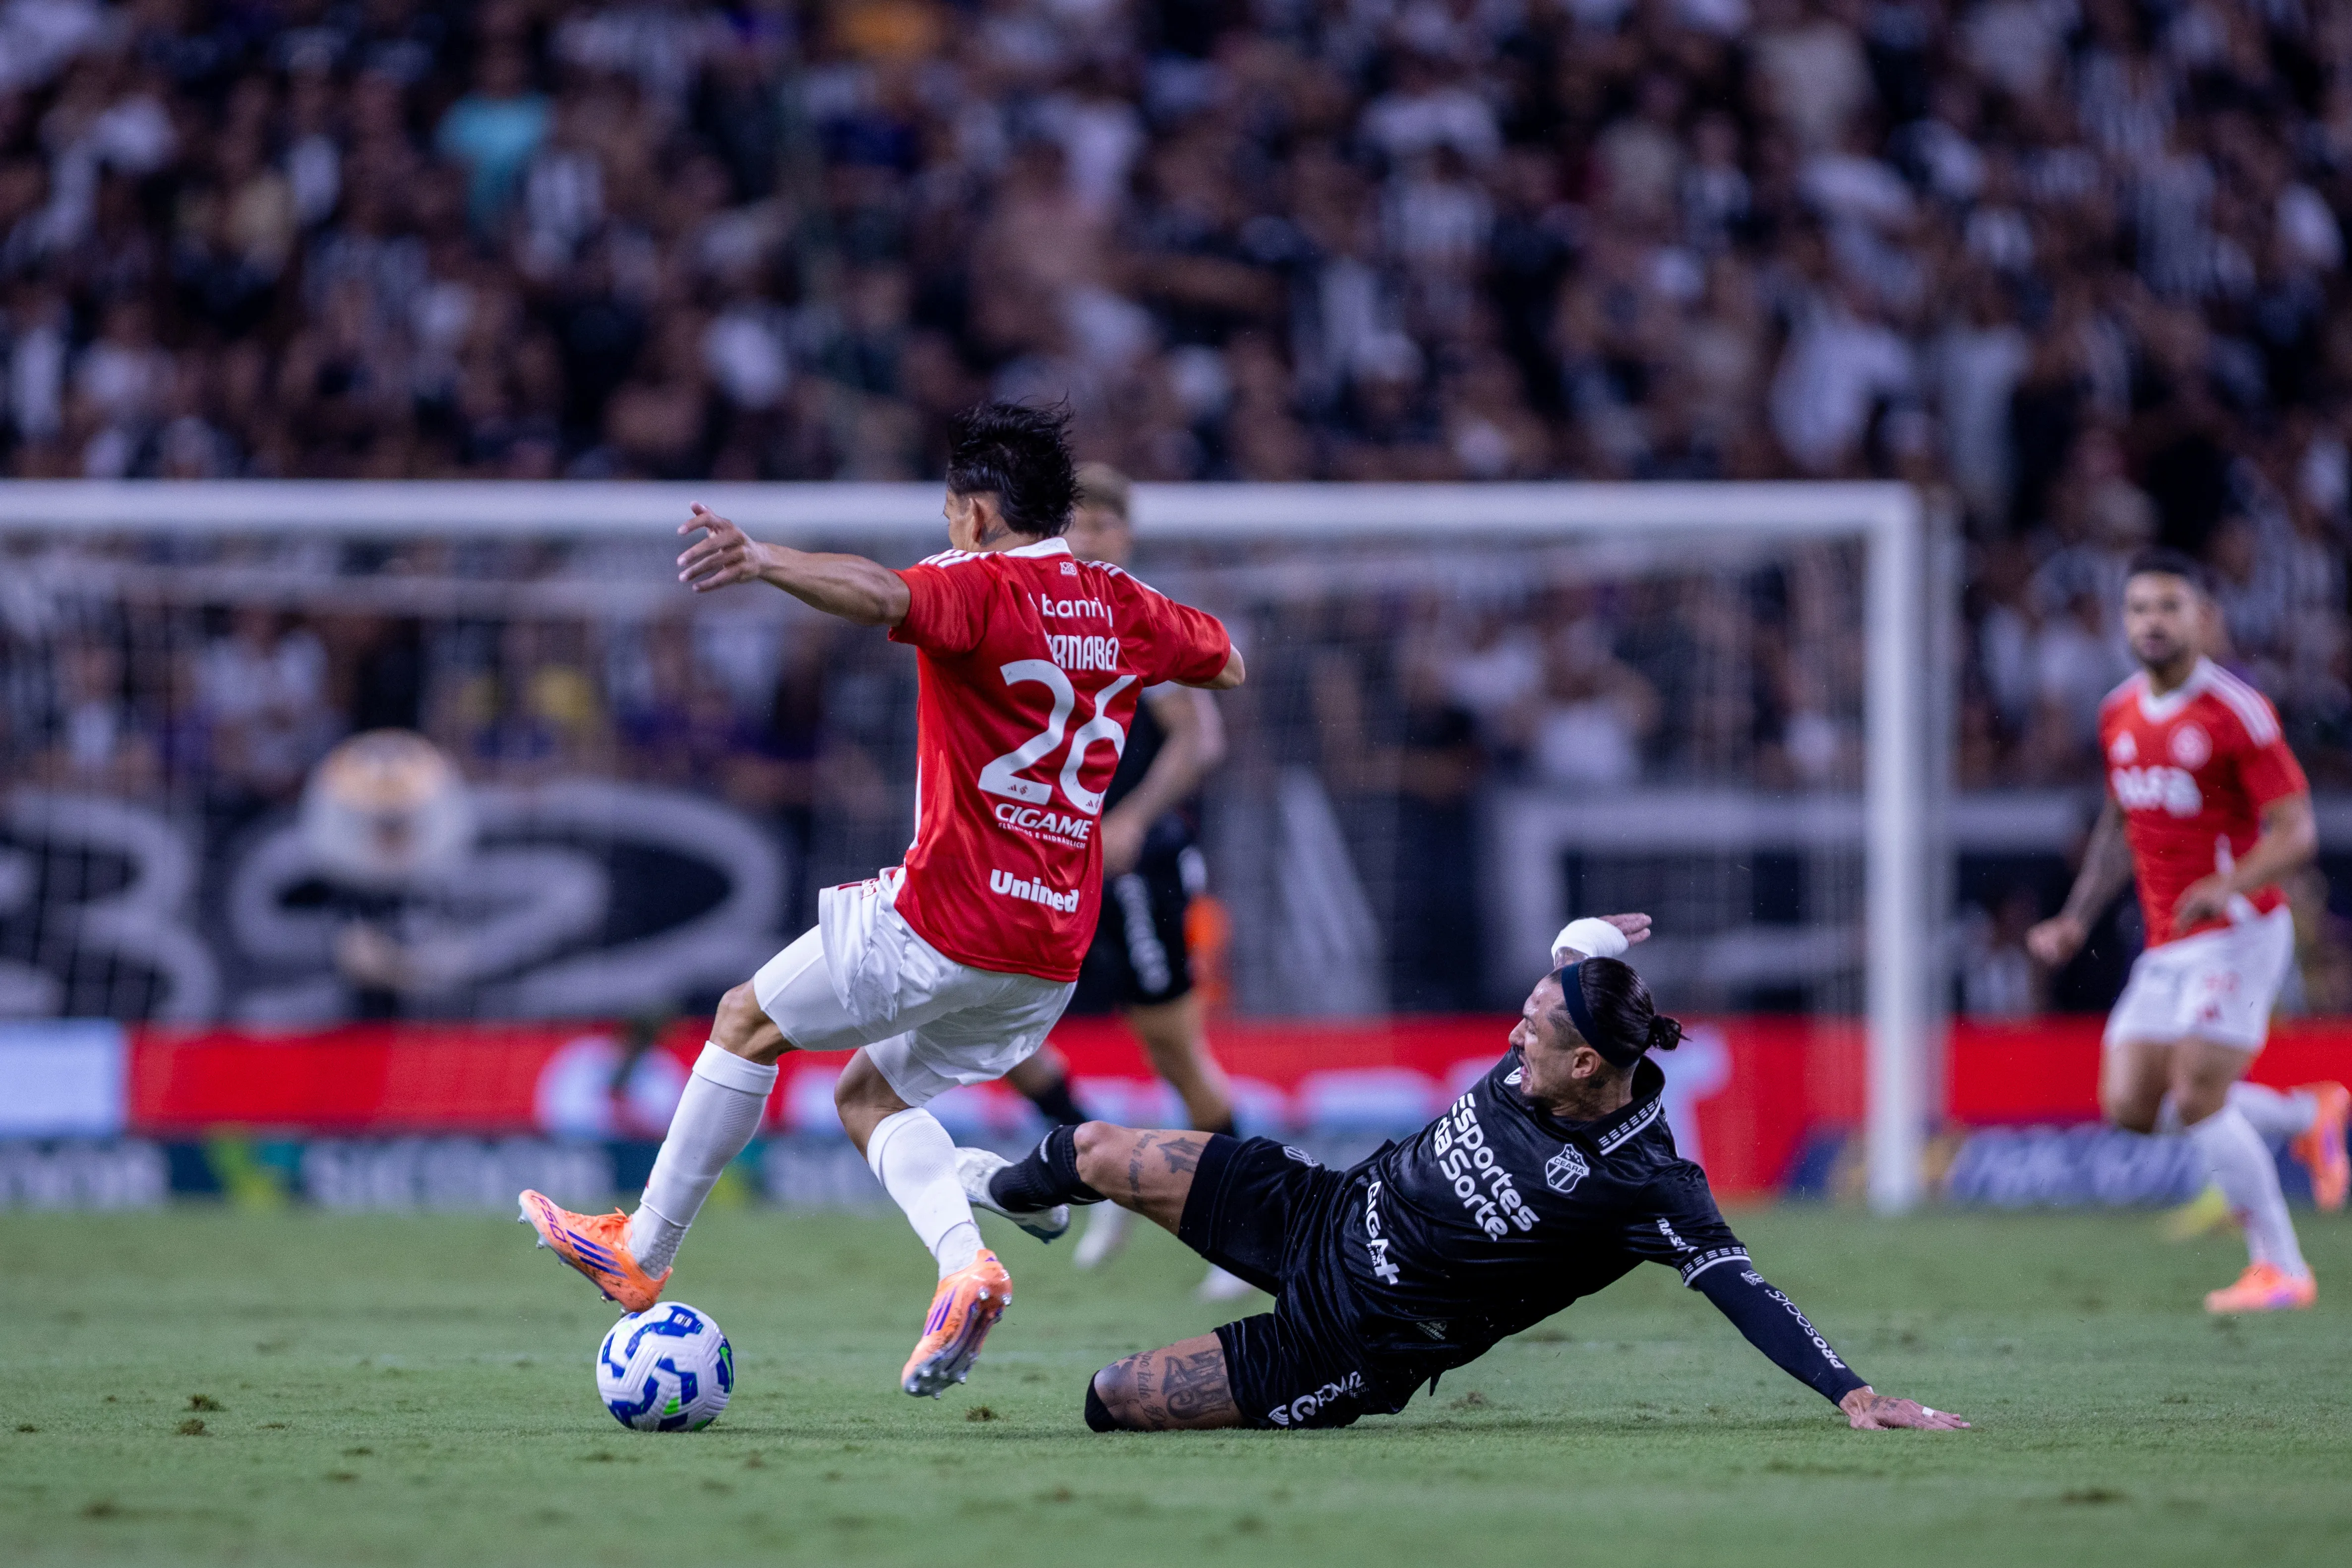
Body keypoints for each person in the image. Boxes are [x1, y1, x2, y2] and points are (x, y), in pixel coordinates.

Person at [519, 403, 1243, 1398]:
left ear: (978, 515)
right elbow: (1226, 660)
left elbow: (874, 594)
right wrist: (1111, 626)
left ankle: (639, 1247)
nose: (946, 529)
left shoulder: (975, 586)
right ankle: (964, 1265)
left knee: (743, 1022)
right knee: (868, 1096)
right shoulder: (1122, 602)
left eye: (951, 512)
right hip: (1047, 952)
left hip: (945, 917)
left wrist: (765, 558)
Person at [959, 916, 1968, 1433]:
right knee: (1083, 1151)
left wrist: (1849, 1390)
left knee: (1110, 1399)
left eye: (1534, 1028)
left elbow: (1746, 1291)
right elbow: (1580, 948)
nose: (1513, 1032)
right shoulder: (1566, 1018)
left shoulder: (1646, 1186)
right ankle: (996, 1198)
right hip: (1320, 1211)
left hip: (1344, 1346)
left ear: (1585, 1067)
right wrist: (1600, 941)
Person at [2026, 547, 2349, 1314]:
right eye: (2139, 608)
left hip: (2240, 931)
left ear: (2202, 618)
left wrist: (2228, 883)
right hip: (2170, 942)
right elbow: (2118, 821)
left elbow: (2296, 830)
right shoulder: (2117, 712)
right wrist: (2075, 918)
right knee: (2131, 1107)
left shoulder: (2234, 710)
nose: (2152, 622)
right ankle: (2309, 1114)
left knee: (2198, 1094)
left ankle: (2281, 1268)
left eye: (2169, 607)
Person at [999, 462, 1250, 1295]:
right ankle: (1097, 1165)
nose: (1091, 536)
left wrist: (1134, 817)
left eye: (1105, 523)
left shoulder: (1137, 619)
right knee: (999, 1029)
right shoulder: (1036, 615)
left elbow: (1198, 737)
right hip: (1049, 860)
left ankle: (1245, 1226)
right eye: (1077, 523)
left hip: (1138, 868)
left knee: (1173, 1047)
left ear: (1126, 535)